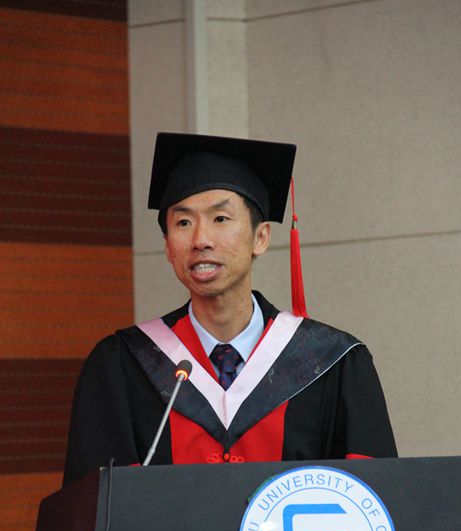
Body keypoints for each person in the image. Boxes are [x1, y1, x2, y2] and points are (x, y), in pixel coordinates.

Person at [63, 133, 397, 485]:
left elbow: (375, 495)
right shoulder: (122, 366)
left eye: (220, 219)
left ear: (261, 237)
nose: (201, 240)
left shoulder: (332, 363)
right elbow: (97, 504)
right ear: (167, 247)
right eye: (183, 223)